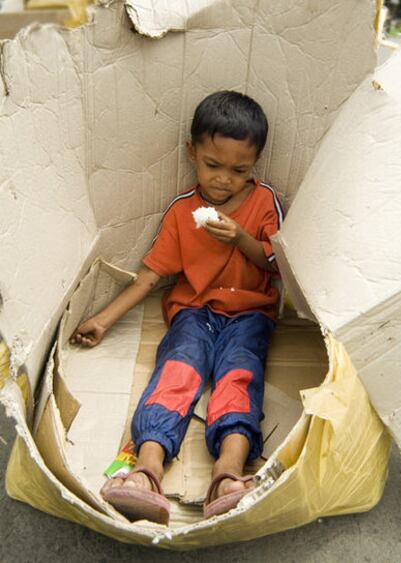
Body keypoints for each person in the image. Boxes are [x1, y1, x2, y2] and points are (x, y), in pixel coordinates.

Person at [71, 91, 284, 525]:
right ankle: (146, 471)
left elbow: (276, 263)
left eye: (239, 170)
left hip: (250, 315)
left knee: (240, 374)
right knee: (177, 371)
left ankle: (228, 474)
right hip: (193, 312)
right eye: (213, 165)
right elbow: (151, 275)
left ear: (256, 164)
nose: (224, 179)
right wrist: (102, 320)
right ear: (192, 153)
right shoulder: (183, 211)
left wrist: (241, 237)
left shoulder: (264, 203)